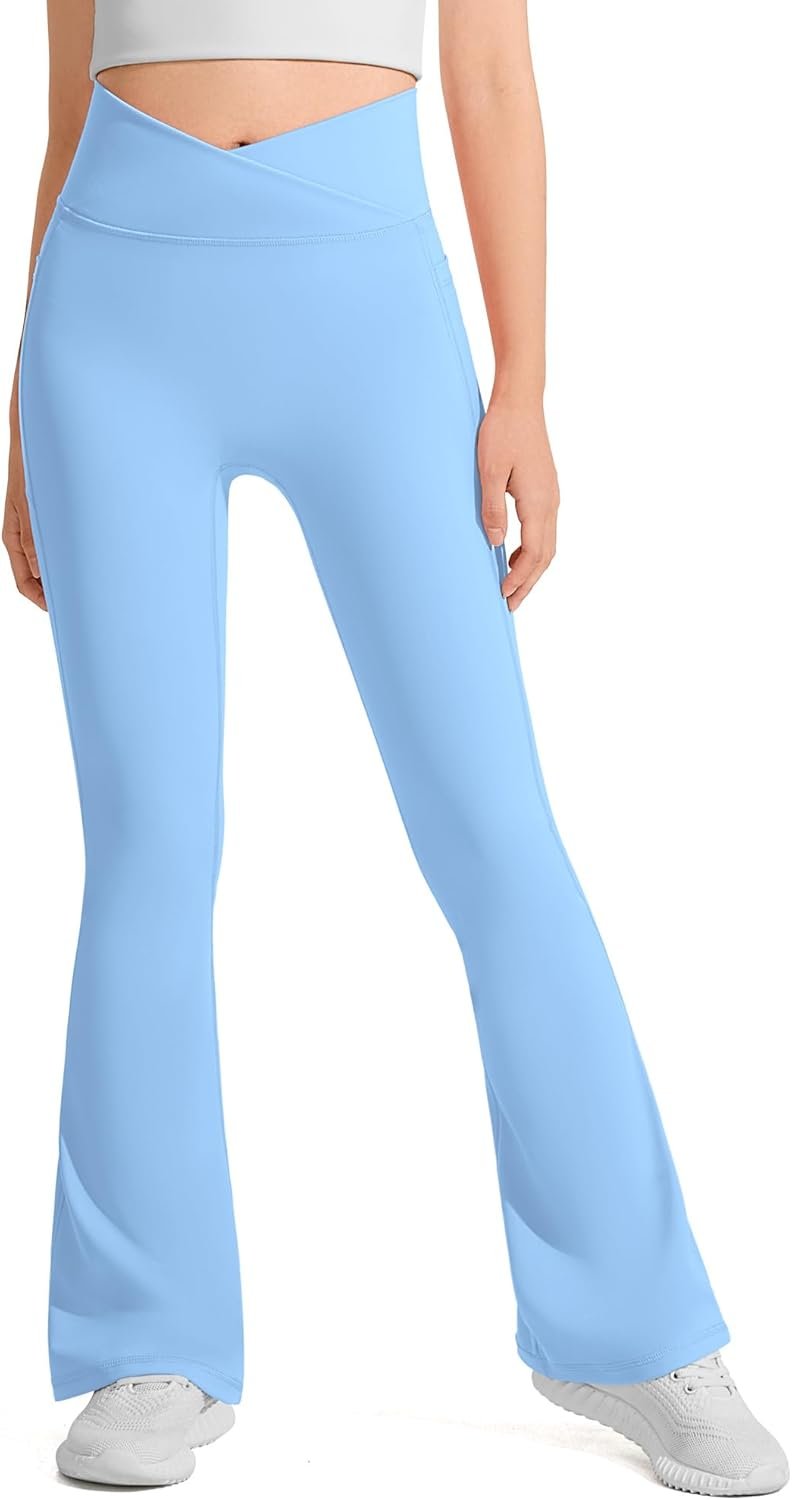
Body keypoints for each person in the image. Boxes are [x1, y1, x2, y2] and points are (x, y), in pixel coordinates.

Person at [2, 0, 786, 1493]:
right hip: (109, 323)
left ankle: (637, 1332)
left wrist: (523, 386)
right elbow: (62, 107)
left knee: (495, 835)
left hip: (366, 310)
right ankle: (144, 1341)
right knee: (150, 845)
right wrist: (23, 394)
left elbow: (490, 75)